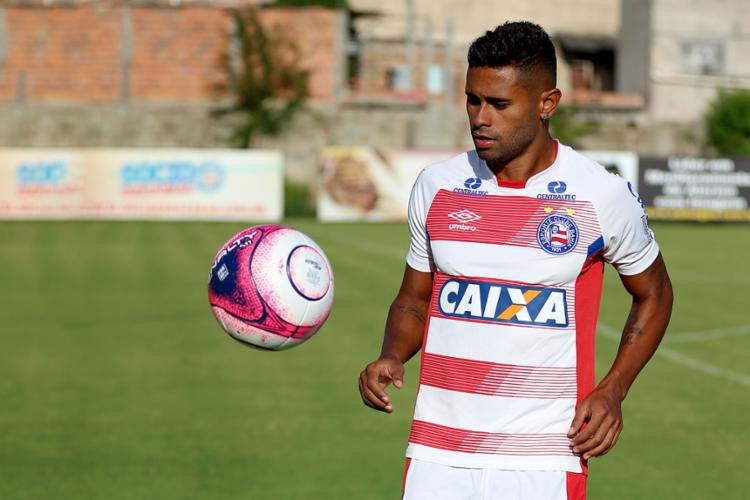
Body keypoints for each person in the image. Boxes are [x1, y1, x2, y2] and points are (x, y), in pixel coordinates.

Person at [357, 21, 673, 500]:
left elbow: (655, 294)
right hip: (438, 454)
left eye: (500, 104)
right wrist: (391, 355)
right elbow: (414, 299)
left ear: (547, 103)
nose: (481, 117)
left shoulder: (599, 195)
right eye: (472, 99)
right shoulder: (436, 186)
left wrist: (614, 389)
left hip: (545, 455)